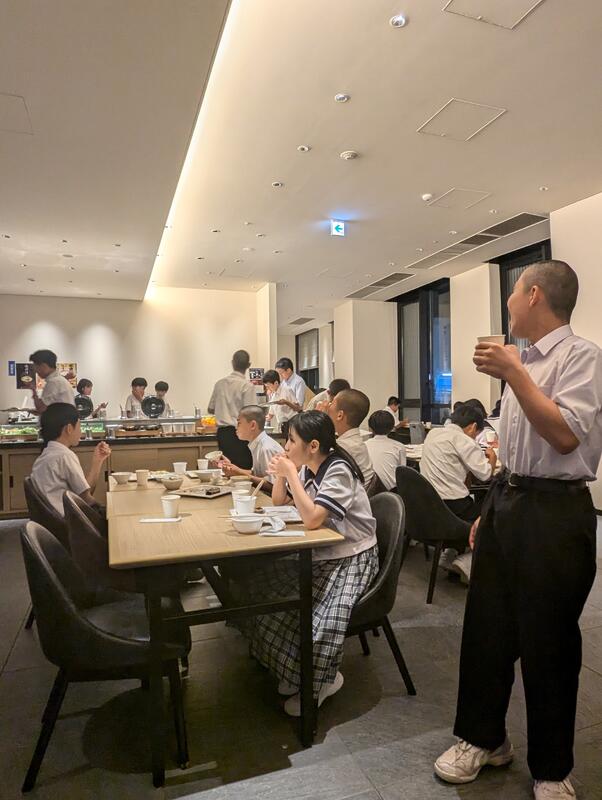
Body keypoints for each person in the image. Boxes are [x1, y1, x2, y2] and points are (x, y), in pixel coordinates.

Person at [435, 261, 602, 800]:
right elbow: (514, 456)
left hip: (557, 511)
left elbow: (565, 436)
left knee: (549, 640)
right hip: (508, 501)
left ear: (533, 295)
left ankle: (552, 768)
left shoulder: (582, 357)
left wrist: (514, 373)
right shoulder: (523, 361)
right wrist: (490, 510)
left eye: (512, 290)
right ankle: (483, 739)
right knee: (485, 629)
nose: (507, 301)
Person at [235, 411, 378, 716]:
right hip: (324, 552)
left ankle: (322, 681)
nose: (286, 446)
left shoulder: (337, 469)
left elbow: (312, 519)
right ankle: (296, 672)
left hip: (352, 557)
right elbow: (279, 502)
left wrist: (289, 473)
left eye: (291, 440)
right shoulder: (310, 468)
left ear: (313, 445)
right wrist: (282, 475)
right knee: (264, 594)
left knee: (319, 620)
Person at [420, 403, 496, 523]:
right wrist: (492, 457)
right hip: (455, 507)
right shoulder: (465, 440)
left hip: (428, 504)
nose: (474, 438)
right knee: (492, 506)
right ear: (473, 427)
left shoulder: (433, 433)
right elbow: (485, 475)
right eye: (476, 435)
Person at [31, 402, 111, 516]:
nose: (81, 431)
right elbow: (86, 499)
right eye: (79, 426)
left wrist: (97, 461)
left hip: (53, 520)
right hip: (69, 521)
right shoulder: (64, 456)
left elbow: (83, 494)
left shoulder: (45, 455)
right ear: (69, 429)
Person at [207, 350, 256, 469]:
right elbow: (252, 413)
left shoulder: (220, 384)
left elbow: (210, 409)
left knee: (226, 468)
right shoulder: (247, 386)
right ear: (249, 365)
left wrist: (224, 409)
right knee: (242, 469)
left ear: (232, 363)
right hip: (241, 433)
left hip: (223, 434)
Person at [220, 404, 284, 485]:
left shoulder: (266, 448)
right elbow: (258, 474)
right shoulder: (258, 444)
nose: (236, 427)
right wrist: (234, 470)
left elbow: (272, 484)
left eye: (239, 423)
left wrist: (241, 474)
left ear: (253, 425)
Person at [328, 389, 375, 486]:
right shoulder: (353, 441)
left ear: (340, 415)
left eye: (331, 403)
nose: (328, 406)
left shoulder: (344, 447)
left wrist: (316, 418)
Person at [365, 410, 407, 490]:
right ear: (392, 428)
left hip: (368, 491)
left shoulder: (364, 446)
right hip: (392, 492)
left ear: (370, 428)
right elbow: (402, 473)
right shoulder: (399, 447)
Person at [28, 350, 75, 414]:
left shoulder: (53, 382)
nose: (36, 371)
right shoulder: (59, 380)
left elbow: (41, 408)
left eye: (36, 367)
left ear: (44, 366)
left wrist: (33, 390)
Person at [262, 369, 298, 434]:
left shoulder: (287, 390)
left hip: (292, 424)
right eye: (266, 386)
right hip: (282, 425)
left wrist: (286, 402)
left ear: (276, 383)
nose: (267, 388)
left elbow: (297, 408)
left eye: (268, 386)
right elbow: (270, 415)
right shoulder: (274, 395)